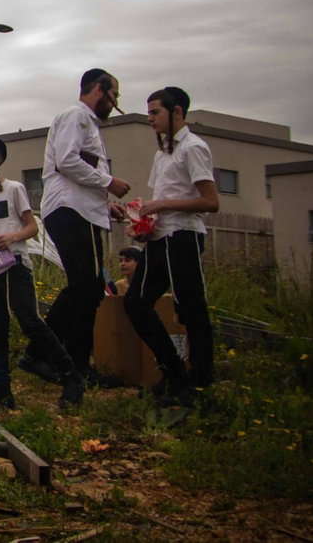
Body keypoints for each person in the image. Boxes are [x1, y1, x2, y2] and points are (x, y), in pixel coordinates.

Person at [26, 68, 131, 388]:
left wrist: (104, 205)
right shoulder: (77, 116)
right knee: (85, 285)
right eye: (114, 96)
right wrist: (109, 182)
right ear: (99, 89)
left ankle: (72, 363)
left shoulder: (86, 123)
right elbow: (68, 161)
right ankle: (45, 354)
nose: (114, 104)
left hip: (81, 211)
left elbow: (78, 172)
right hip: (71, 213)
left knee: (90, 288)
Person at [0, 138, 84, 410]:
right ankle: (2, 392)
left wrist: (11, 237)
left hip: (15, 264)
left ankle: (71, 376)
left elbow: (32, 228)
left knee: (30, 320)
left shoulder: (14, 190)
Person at [124, 86, 219, 404]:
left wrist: (161, 204)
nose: (150, 118)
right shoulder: (161, 153)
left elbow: (210, 201)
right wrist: (143, 224)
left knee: (191, 310)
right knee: (135, 303)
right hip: (159, 238)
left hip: (184, 237)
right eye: (149, 112)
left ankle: (201, 385)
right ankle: (175, 373)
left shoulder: (193, 147)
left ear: (176, 112)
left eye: (155, 112)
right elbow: (160, 201)